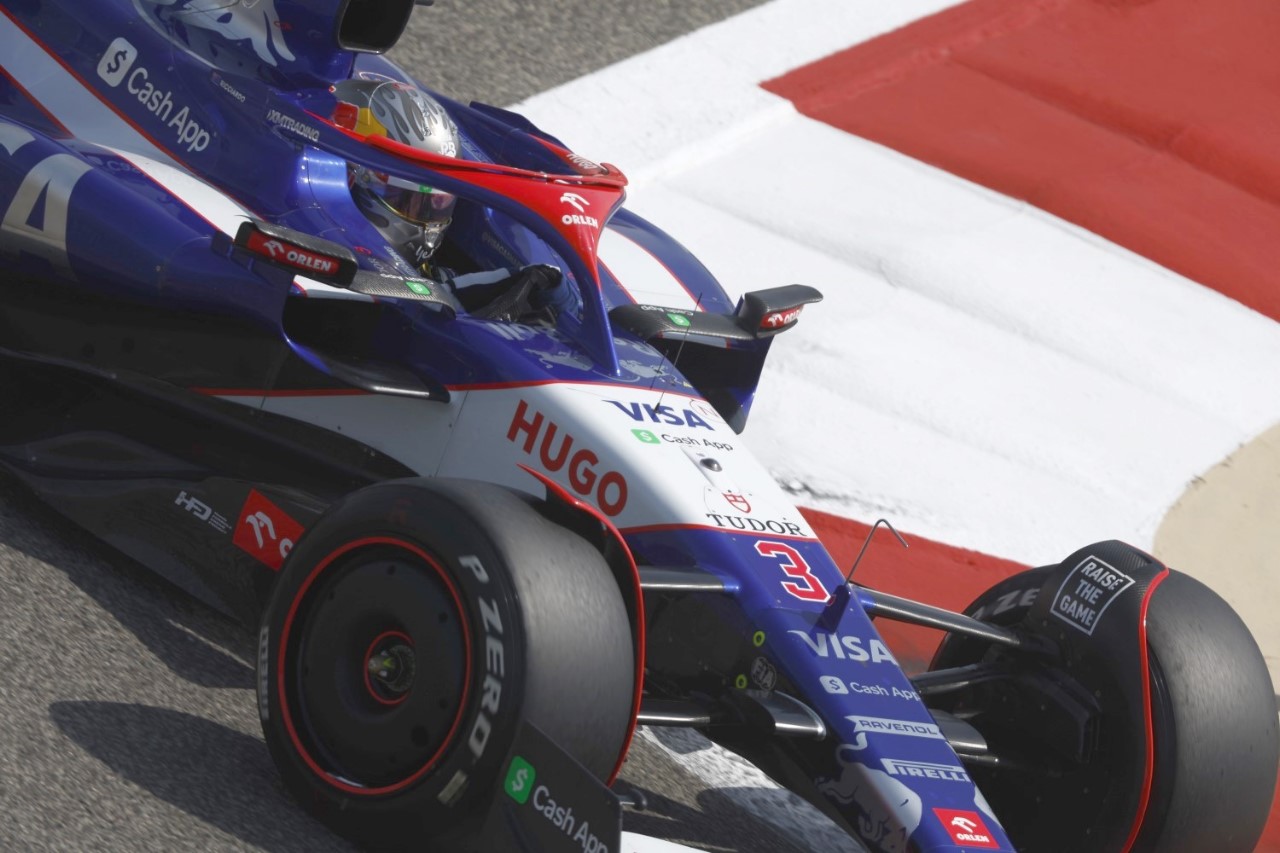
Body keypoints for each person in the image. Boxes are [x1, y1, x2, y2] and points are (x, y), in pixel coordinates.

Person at [333, 79, 573, 322]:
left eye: (437, 203)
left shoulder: (436, 273)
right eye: (407, 200)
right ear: (355, 178)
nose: (428, 222)